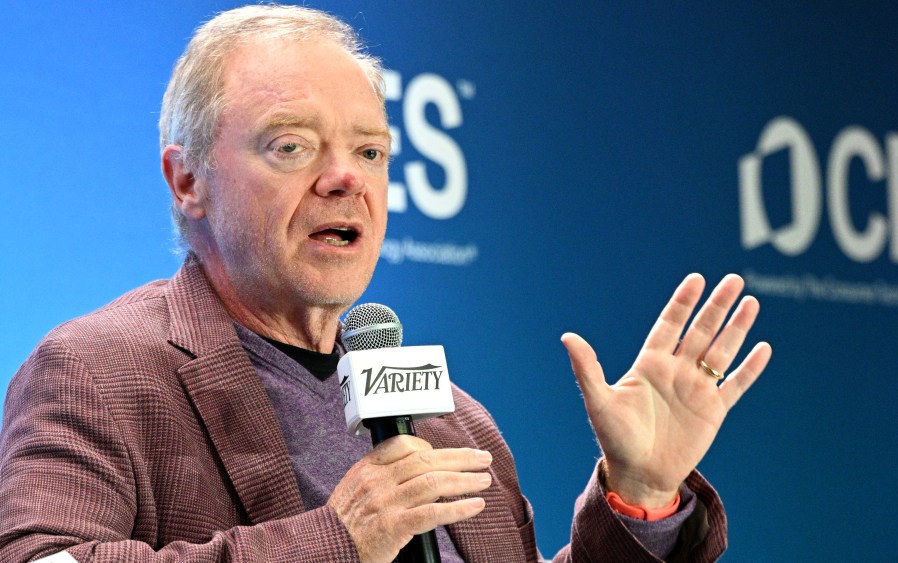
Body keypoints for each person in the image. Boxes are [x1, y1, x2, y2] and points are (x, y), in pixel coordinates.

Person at [0, 5, 772, 562]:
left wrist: (639, 495)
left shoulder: (456, 423)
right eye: (292, 145)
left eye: (370, 152)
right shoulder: (100, 371)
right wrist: (337, 541)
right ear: (187, 180)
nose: (346, 177)